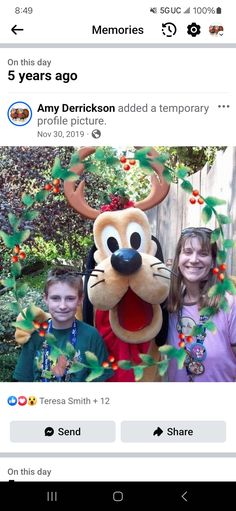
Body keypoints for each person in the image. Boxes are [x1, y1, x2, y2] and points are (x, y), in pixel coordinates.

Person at [14, 267, 113, 382]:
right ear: (46, 298)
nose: (62, 306)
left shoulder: (91, 336)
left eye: (70, 298)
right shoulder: (36, 335)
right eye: (55, 298)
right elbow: (22, 382)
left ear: (80, 299)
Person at [167, 227, 236, 382]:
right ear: (178, 259)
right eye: (188, 251)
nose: (194, 259)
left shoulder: (229, 304)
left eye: (203, 253)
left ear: (213, 262)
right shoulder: (170, 307)